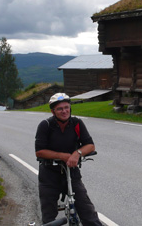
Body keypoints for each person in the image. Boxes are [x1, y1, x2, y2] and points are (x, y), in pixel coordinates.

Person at [35, 93, 102, 226]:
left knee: (88, 212)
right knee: (49, 218)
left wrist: (77, 153)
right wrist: (62, 156)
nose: (64, 111)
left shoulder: (77, 123)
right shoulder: (46, 125)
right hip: (49, 175)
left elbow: (90, 145)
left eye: (67, 107)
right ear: (53, 111)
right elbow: (39, 152)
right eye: (60, 109)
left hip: (71, 173)